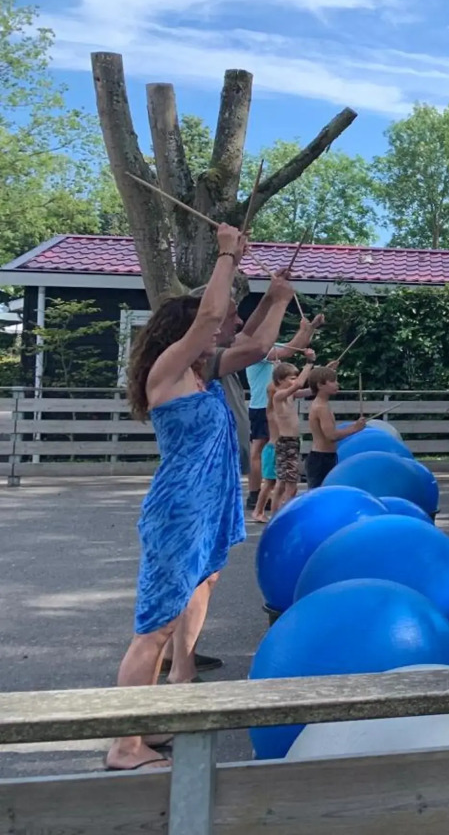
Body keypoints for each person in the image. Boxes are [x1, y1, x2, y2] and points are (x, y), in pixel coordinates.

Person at [106, 225, 289, 771]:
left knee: (187, 602)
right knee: (153, 628)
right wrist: (228, 253)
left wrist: (276, 298)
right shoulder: (167, 372)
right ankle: (123, 746)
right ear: (183, 331)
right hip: (179, 511)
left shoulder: (200, 372)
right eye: (207, 327)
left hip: (206, 508)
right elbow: (213, 317)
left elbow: (255, 344)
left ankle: (151, 717)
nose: (218, 332)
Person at [243, 312, 320, 512]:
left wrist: (311, 328)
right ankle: (255, 494)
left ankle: (264, 496)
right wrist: (305, 330)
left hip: (267, 405)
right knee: (261, 450)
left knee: (269, 451)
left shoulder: (267, 348)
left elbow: (297, 347)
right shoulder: (257, 350)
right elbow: (288, 352)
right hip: (262, 405)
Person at [305, 365, 366, 488]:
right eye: (332, 381)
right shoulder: (321, 407)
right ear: (320, 385)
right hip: (321, 459)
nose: (337, 384)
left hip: (325, 457)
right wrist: (355, 428)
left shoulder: (323, 404)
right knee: (320, 497)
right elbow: (331, 435)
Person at [267, 356, 313, 513]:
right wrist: (309, 363)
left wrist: (326, 371)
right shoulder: (279, 396)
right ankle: (285, 513)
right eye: (291, 378)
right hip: (286, 442)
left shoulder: (290, 395)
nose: (295, 382)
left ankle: (276, 514)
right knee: (289, 483)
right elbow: (300, 384)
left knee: (284, 482)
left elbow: (310, 389)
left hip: (292, 442)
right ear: (280, 380)